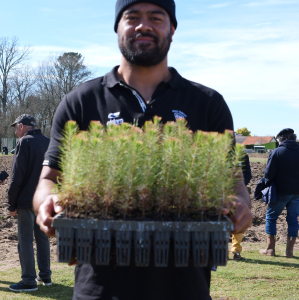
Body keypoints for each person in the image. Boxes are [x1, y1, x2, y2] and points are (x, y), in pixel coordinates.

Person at [33, 1, 253, 299]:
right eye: (132, 16)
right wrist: (48, 201)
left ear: (172, 28)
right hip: (98, 290)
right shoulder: (81, 101)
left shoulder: (207, 103)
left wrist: (240, 205)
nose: (143, 25)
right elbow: (48, 179)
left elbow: (234, 183)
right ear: (117, 27)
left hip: (186, 288)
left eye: (156, 17)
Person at [7, 114, 52, 292]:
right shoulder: (49, 142)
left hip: (27, 201)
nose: (15, 130)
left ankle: (28, 281)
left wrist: (11, 204)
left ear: (22, 126)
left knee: (25, 240)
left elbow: (16, 177)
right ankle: (45, 276)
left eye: (16, 127)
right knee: (42, 239)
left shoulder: (24, 143)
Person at [259, 128, 299, 258]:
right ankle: (289, 251)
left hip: (279, 192)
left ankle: (270, 249)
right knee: (293, 219)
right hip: (297, 193)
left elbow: (269, 174)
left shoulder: (277, 152)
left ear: (282, 139)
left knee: (271, 218)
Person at [231, 154, 252, 259]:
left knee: (238, 220)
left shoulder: (242, 155)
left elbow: (247, 174)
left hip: (237, 194)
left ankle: (236, 251)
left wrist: (240, 186)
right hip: (218, 192)